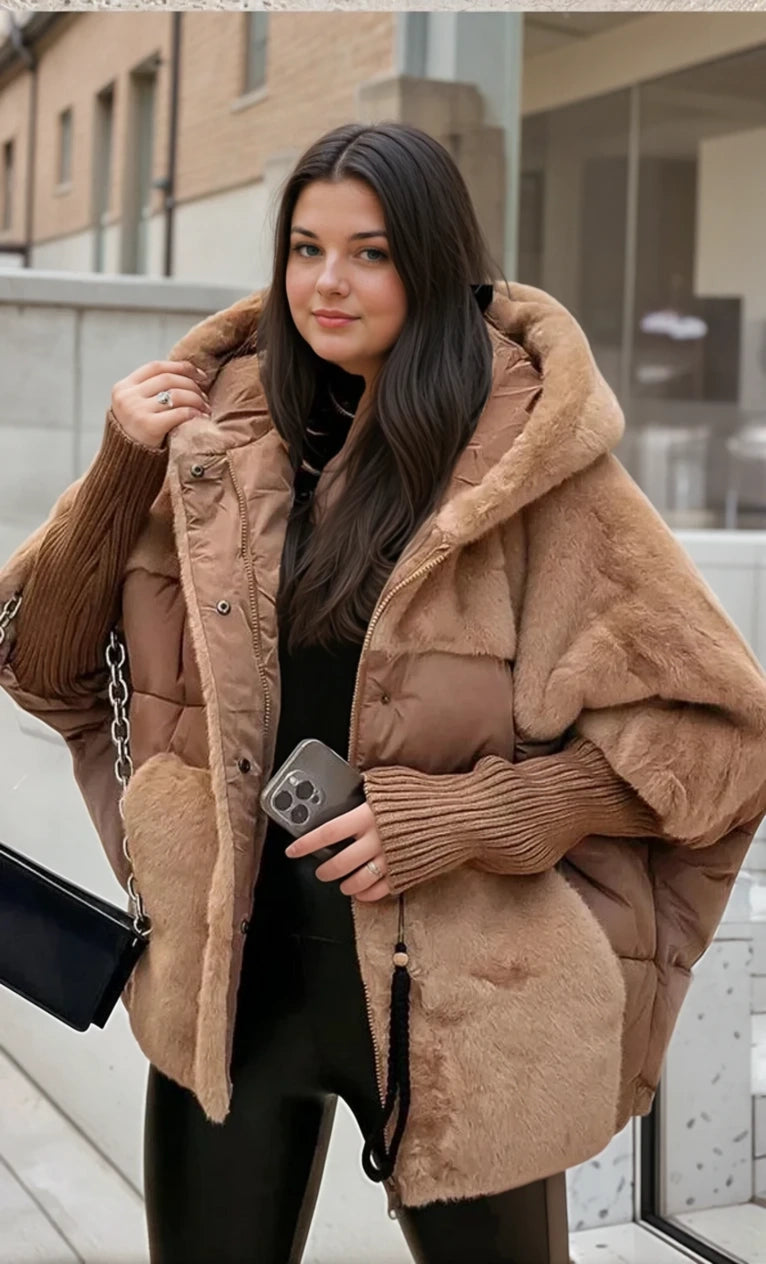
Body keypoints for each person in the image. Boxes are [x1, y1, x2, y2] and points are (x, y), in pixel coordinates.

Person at [2, 122, 766, 1264]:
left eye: (368, 252)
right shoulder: (213, 442)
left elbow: (718, 738)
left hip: (463, 1013)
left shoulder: (533, 476)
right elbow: (42, 666)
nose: (326, 281)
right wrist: (124, 462)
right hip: (233, 992)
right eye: (305, 248)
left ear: (432, 259)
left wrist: (469, 818)